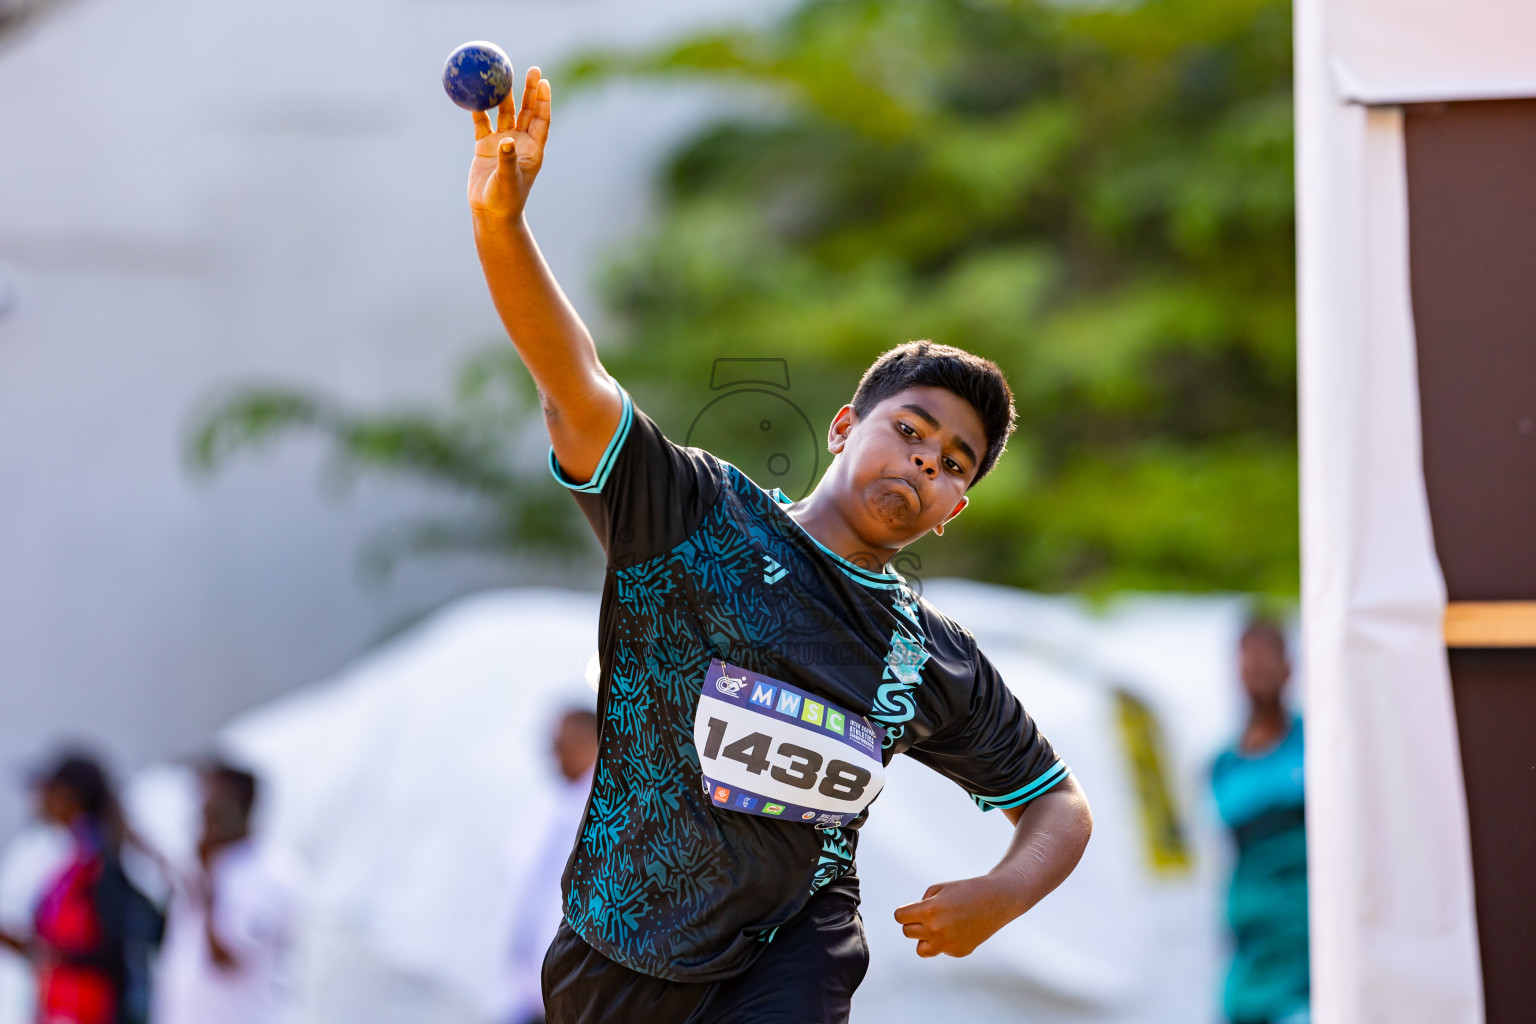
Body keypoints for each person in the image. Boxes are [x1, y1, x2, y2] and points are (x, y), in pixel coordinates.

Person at [464, 66, 1094, 1024]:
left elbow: (1057, 806)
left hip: (791, 953)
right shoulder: (698, 516)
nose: (925, 463)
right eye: (912, 431)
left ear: (955, 507)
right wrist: (502, 229)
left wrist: (999, 894)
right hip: (616, 950)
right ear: (846, 427)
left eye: (954, 463)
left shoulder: (926, 657)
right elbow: (573, 384)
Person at [0, 751, 161, 1024]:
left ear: (71, 797)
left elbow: (117, 948)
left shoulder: (103, 862)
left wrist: (43, 951)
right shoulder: (74, 859)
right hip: (63, 1006)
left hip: (91, 1009)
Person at [1211, 620, 1309, 1024]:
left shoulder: (1317, 745)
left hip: (1304, 950)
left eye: (1270, 658)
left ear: (1290, 667)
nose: (1259, 669)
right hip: (1250, 948)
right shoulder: (1223, 766)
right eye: (1250, 660)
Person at [151, 762, 294, 1024]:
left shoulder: (271, 873)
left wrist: (209, 885)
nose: (202, 817)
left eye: (212, 808)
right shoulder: (204, 861)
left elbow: (226, 959)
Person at [504, 709, 599, 1024]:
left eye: (561, 744)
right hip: (529, 995)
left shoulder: (607, 812)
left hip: (571, 999)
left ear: (590, 741)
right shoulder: (553, 805)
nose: (552, 754)